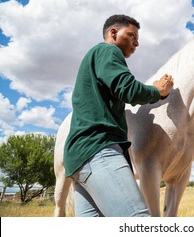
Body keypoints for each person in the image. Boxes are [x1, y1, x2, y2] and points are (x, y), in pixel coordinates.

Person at [63, 14, 174, 217]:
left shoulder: (93, 58)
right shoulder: (108, 51)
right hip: (99, 150)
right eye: (131, 35)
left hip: (79, 159)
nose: (136, 42)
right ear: (113, 33)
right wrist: (158, 90)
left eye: (137, 38)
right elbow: (128, 89)